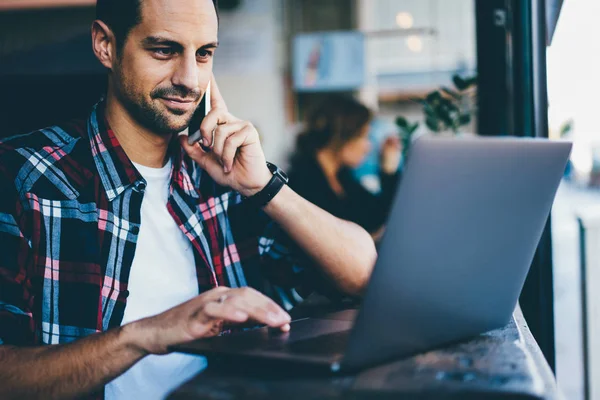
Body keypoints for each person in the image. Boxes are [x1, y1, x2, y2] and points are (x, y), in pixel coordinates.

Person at [0, 1, 377, 399]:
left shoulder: (221, 182)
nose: (189, 79)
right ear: (105, 44)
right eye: (164, 50)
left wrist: (263, 186)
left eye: (204, 54)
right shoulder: (22, 178)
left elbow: (362, 274)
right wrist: (148, 334)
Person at [288, 96, 402, 239]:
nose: (368, 146)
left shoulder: (341, 177)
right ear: (341, 136)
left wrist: (388, 170)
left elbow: (377, 217)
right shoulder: (302, 184)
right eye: (363, 136)